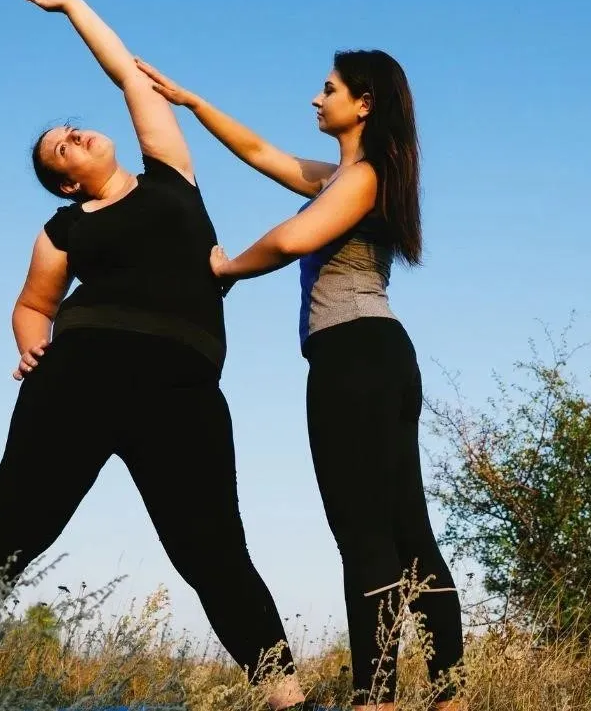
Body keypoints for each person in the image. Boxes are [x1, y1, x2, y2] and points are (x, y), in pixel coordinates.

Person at [0, 0, 304, 710]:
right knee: (8, 534)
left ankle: (286, 694)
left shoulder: (172, 178)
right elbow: (31, 302)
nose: (74, 136)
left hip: (180, 389)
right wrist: (29, 343)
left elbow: (126, 74)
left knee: (211, 548)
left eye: (71, 130)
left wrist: (72, 6)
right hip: (77, 379)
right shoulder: (65, 229)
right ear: (67, 185)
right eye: (62, 150)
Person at [135, 51, 465, 710]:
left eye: (329, 88)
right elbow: (260, 151)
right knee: (406, 532)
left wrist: (226, 270)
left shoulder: (361, 178)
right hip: (382, 356)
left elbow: (292, 240)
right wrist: (193, 104)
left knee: (367, 535)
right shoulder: (353, 176)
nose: (317, 99)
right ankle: (450, 696)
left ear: (364, 102)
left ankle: (376, 700)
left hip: (353, 359)